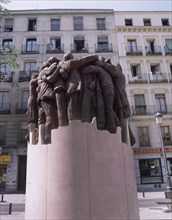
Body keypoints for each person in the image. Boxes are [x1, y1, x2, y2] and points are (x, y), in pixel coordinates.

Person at [37, 61, 58, 143]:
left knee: (42, 119)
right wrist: (56, 64)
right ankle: (47, 137)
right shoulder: (44, 71)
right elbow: (50, 71)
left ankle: (39, 136)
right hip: (46, 96)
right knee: (50, 117)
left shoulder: (40, 77)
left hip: (42, 98)